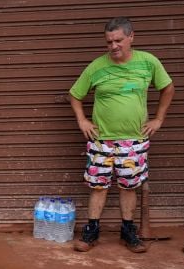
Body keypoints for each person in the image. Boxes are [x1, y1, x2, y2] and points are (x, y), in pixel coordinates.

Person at [69, 17, 174, 253]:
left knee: (129, 186)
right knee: (98, 186)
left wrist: (158, 119)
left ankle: (128, 232)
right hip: (101, 140)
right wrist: (82, 120)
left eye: (118, 40)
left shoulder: (148, 63)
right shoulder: (97, 66)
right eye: (109, 42)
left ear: (131, 37)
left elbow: (168, 88)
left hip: (134, 140)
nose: (113, 46)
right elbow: (75, 94)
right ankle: (91, 231)